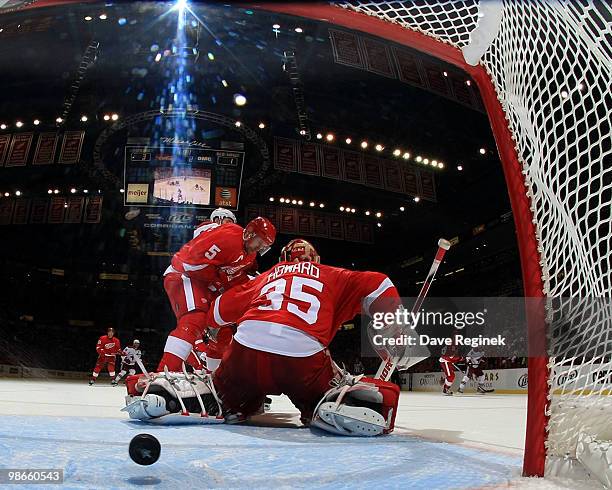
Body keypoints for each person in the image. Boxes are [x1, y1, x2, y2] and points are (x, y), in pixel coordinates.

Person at [125, 239, 402, 436]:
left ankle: (187, 396)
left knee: (226, 392)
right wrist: (396, 328)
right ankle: (340, 403)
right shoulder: (335, 274)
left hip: (248, 347)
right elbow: (379, 283)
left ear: (282, 260)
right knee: (324, 390)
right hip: (302, 355)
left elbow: (218, 313)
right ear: (316, 259)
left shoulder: (266, 276)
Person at [157, 216, 276, 372]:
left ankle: (214, 378)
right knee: (194, 320)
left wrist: (254, 285)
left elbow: (231, 278)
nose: (259, 248)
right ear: (249, 234)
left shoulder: (250, 255)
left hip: (206, 284)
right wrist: (218, 281)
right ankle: (165, 372)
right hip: (184, 275)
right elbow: (188, 263)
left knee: (223, 332)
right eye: (259, 243)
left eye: (264, 246)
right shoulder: (227, 237)